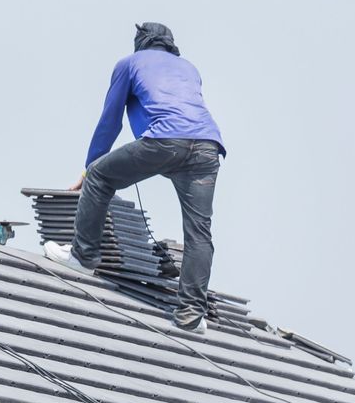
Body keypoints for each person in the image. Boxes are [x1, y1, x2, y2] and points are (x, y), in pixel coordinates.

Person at [44, 22, 225, 332]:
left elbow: (109, 123)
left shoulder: (128, 64)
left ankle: (83, 256)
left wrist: (89, 169)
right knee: (199, 231)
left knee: (102, 175)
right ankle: (191, 315)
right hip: (208, 147)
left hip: (167, 142)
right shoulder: (189, 68)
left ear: (140, 43)